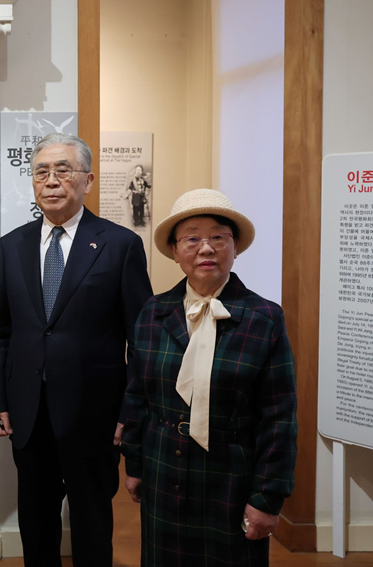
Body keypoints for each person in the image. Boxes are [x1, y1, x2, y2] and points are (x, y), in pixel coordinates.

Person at [0, 133, 153, 566]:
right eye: (42, 171)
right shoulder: (12, 246)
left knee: (92, 522)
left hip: (94, 413)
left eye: (64, 170)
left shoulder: (119, 245)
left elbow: (143, 340)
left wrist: (128, 413)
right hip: (28, 409)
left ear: (88, 180)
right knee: (35, 522)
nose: (52, 180)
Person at [121, 189, 297, 566]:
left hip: (231, 479)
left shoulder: (264, 318)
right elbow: (138, 398)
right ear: (174, 250)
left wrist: (267, 497)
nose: (206, 248)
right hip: (163, 471)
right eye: (192, 238)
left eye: (219, 237)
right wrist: (133, 465)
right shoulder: (152, 313)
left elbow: (280, 418)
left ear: (235, 248)